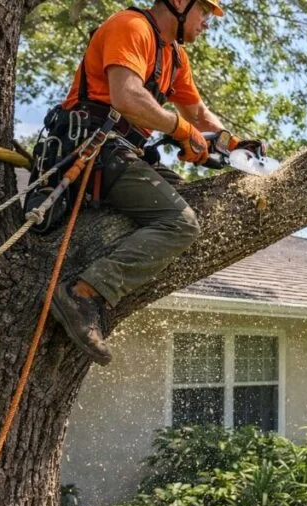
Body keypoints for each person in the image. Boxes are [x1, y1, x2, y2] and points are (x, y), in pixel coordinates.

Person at [38, 0, 265, 365]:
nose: (207, 22)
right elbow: (126, 95)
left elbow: (198, 114)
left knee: (194, 201)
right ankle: (83, 293)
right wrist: (179, 129)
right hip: (93, 147)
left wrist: (233, 145)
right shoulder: (131, 27)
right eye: (204, 11)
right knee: (180, 223)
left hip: (124, 152)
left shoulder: (174, 57)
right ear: (180, 3)